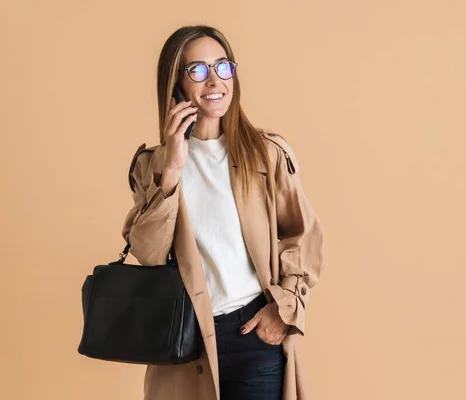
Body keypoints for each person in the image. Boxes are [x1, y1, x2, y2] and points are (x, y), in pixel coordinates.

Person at [121, 25, 324, 400]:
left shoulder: (265, 153)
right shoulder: (151, 165)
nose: (214, 80)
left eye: (223, 67)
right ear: (176, 83)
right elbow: (148, 252)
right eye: (197, 70)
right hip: (183, 342)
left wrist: (285, 307)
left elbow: (304, 236)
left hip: (255, 341)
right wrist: (171, 169)